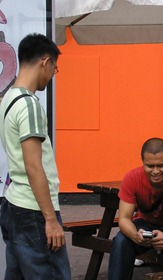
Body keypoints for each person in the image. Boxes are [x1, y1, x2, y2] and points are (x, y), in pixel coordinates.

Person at [0, 33, 71, 279]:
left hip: (13, 205)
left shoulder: (8, 98)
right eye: (55, 68)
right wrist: (50, 220)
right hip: (34, 211)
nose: (53, 74)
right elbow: (33, 166)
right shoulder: (29, 104)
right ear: (45, 62)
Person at [108, 138, 163, 280]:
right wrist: (135, 236)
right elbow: (124, 218)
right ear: (142, 161)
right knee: (120, 242)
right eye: (150, 166)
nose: (155, 171)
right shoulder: (131, 178)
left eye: (161, 165)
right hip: (146, 225)